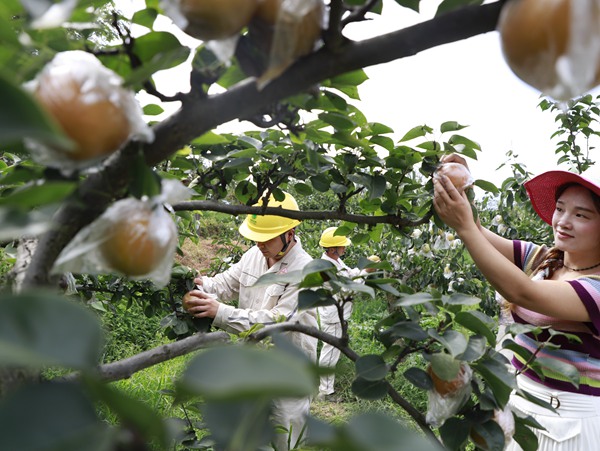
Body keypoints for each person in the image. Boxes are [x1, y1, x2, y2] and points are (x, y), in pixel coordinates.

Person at [433, 154, 600, 450]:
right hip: (520, 407)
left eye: (581, 215)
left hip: (569, 425)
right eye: (560, 209)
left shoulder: (596, 287)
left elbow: (525, 293)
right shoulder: (546, 259)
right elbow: (480, 234)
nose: (563, 221)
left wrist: (465, 228)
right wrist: (462, 187)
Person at [182, 191, 318, 451]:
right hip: (253, 362)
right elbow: (225, 283)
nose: (259, 244)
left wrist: (220, 312)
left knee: (285, 433)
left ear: (288, 234)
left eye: (265, 239)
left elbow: (277, 322)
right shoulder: (254, 255)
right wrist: (200, 285)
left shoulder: (305, 271)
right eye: (256, 238)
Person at [316, 226, 376, 401]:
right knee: (330, 354)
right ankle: (325, 392)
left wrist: (364, 269)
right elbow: (348, 289)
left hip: (337, 315)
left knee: (332, 352)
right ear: (333, 248)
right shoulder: (327, 268)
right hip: (333, 316)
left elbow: (350, 275)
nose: (345, 248)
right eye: (342, 245)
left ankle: (325, 389)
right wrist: (365, 272)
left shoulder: (335, 262)